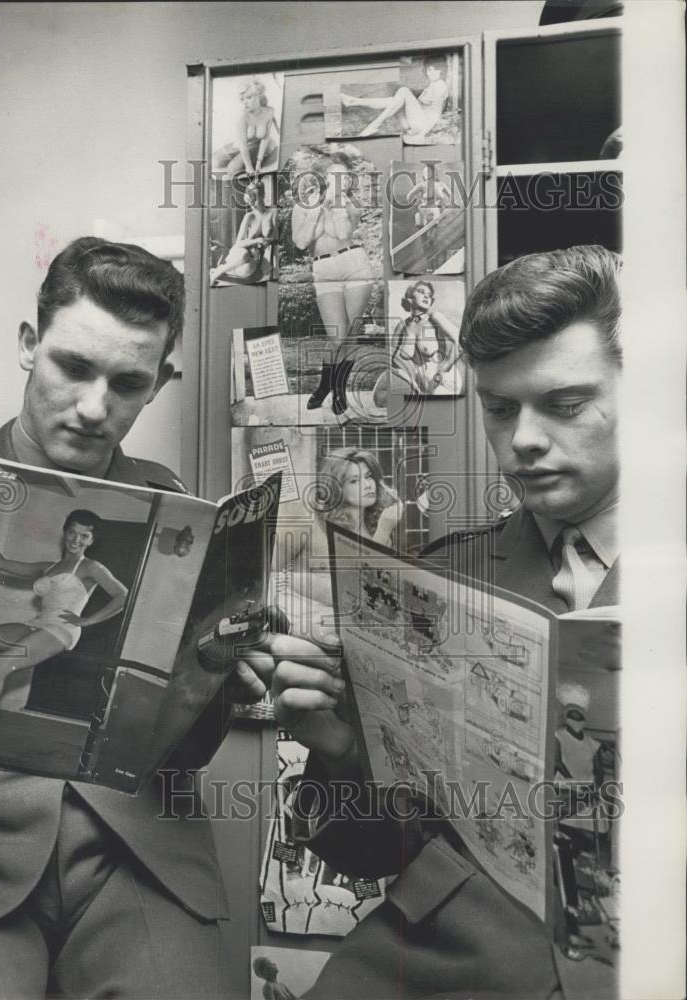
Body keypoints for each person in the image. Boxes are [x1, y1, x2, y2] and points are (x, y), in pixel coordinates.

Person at [0, 237, 269, 999]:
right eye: (73, 367)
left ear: (160, 382)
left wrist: (222, 674)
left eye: (128, 382)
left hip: (139, 852)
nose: (95, 408)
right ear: (30, 346)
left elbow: (185, 740)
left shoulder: (182, 515)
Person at [267, 245, 622, 1000]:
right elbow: (374, 850)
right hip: (439, 966)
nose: (523, 439)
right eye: (499, 408)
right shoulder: (447, 580)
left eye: (563, 404)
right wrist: (339, 754)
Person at [0, 509, 128, 740]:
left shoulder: (90, 567)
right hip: (38, 622)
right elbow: (1, 563)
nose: (76, 539)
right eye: (72, 532)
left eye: (84, 536)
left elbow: (122, 596)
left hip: (61, 629)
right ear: (65, 532)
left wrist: (87, 620)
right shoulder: (49, 567)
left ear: (91, 540)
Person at [274, 448, 404, 634]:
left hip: (351, 626)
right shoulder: (311, 522)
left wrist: (384, 529)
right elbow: (269, 572)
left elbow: (373, 591)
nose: (367, 485)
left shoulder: (379, 528)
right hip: (300, 618)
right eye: (354, 481)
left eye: (369, 477)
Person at [291, 152, 375, 415]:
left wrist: (335, 206)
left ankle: (336, 388)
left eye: (343, 177)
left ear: (348, 181)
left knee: (350, 334)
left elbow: (341, 233)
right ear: (325, 178)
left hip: (354, 264)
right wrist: (318, 209)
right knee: (337, 335)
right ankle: (327, 385)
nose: (338, 181)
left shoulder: (351, 205)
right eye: (333, 176)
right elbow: (302, 242)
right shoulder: (302, 205)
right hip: (324, 269)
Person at [382, 280, 463, 400]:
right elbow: (391, 362)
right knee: (380, 398)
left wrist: (442, 371)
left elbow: (461, 341)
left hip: (444, 380)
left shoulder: (434, 318)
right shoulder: (402, 326)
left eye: (429, 295)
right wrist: (410, 381)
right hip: (420, 384)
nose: (426, 296)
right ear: (409, 298)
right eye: (421, 292)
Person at [341, 59, 449, 142]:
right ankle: (354, 101)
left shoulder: (440, 86)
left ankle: (373, 125)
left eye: (436, 69)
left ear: (442, 70)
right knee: (394, 100)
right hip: (412, 124)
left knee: (404, 91)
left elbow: (435, 115)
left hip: (421, 126)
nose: (432, 72)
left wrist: (421, 135)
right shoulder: (433, 85)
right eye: (429, 69)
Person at [210, 179, 277, 286]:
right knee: (244, 255)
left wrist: (267, 241)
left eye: (254, 200)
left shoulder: (272, 213)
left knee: (247, 268)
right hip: (240, 252)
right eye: (250, 202)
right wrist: (257, 240)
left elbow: (275, 238)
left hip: (255, 258)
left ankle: (221, 269)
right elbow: (239, 243)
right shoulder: (249, 216)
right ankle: (218, 273)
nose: (253, 205)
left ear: (263, 195)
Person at [212, 77, 279, 179]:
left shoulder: (269, 112)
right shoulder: (243, 117)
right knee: (213, 162)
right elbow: (242, 145)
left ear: (259, 96)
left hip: (258, 145)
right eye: (242, 99)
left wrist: (258, 162)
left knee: (233, 169)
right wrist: (249, 167)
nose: (244, 102)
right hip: (240, 145)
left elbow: (265, 138)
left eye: (248, 98)